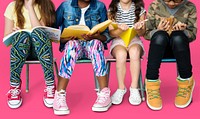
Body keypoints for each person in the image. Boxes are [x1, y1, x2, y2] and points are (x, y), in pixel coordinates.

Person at [53, 0, 112, 115]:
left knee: (96, 44)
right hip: (74, 46)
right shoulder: (66, 6)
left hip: (92, 45)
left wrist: (97, 37)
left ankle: (104, 94)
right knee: (70, 45)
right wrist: (65, 39)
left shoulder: (99, 6)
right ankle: (59, 95)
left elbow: (107, 35)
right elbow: (52, 31)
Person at [144, 0, 196, 110]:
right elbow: (147, 33)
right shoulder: (155, 5)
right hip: (158, 49)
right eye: (168, 0)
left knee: (178, 37)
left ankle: (186, 82)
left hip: (180, 49)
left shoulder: (190, 7)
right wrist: (158, 30)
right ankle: (151, 83)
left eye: (176, 1)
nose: (172, 3)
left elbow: (193, 34)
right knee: (160, 36)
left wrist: (184, 31)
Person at [4, 0, 56, 108]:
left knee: (38, 33)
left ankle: (50, 85)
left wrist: (30, 6)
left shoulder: (46, 5)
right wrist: (15, 32)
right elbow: (6, 39)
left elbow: (40, 31)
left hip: (42, 52)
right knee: (21, 36)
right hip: (21, 52)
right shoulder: (12, 7)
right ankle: (14, 86)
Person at [108, 0, 146, 105]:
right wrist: (120, 30)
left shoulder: (140, 10)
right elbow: (111, 33)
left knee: (134, 52)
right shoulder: (112, 10)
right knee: (121, 54)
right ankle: (121, 88)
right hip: (119, 40)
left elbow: (143, 32)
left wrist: (139, 28)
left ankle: (134, 88)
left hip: (135, 40)